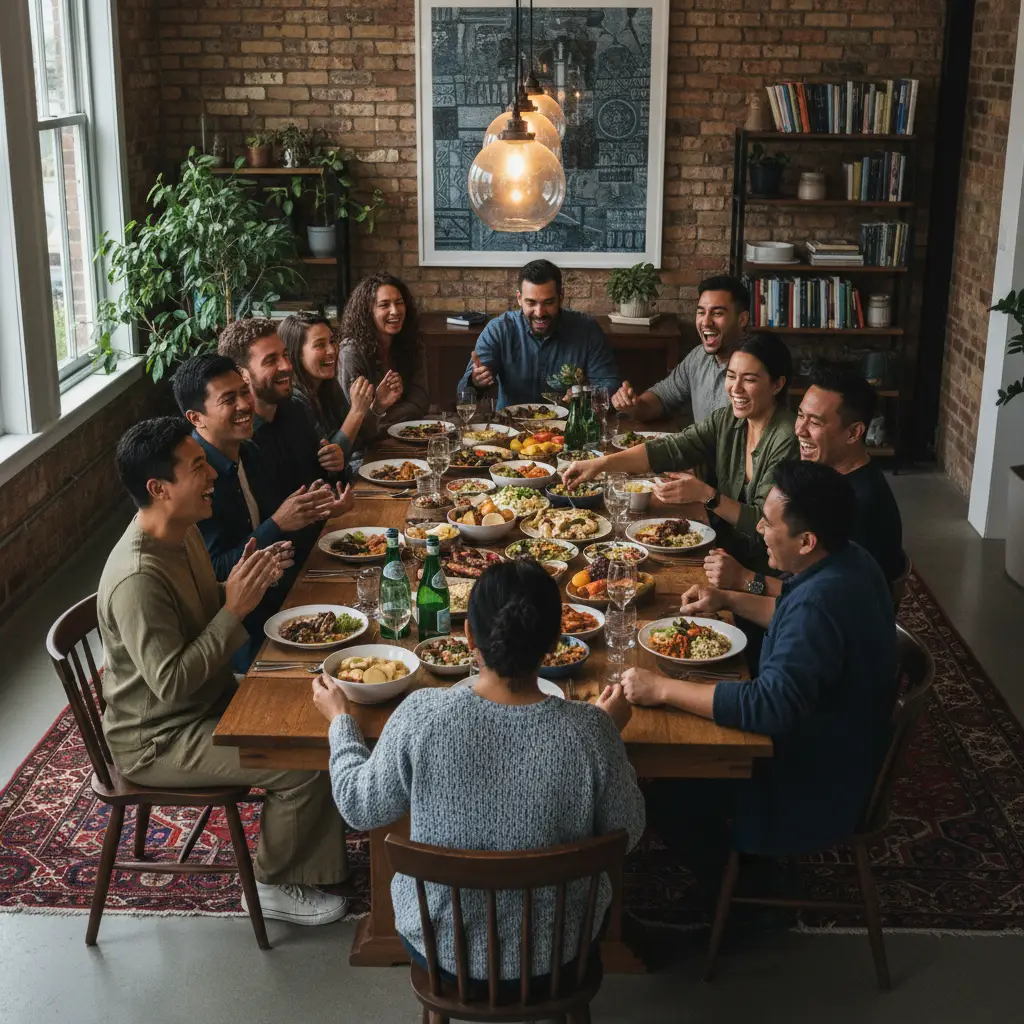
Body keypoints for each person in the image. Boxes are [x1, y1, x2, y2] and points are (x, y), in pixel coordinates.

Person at [312, 559, 644, 981]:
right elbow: (628, 833)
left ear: (468, 635)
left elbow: (360, 807)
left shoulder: (421, 715)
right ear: (557, 640)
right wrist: (607, 736)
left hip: (445, 948)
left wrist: (341, 722)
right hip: (560, 950)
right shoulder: (590, 731)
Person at [97, 417, 351, 925]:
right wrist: (234, 609)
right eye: (197, 467)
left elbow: (197, 603)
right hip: (159, 736)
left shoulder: (179, 532)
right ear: (159, 489)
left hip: (205, 697)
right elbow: (170, 685)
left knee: (319, 699)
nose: (212, 474)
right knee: (298, 757)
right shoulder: (138, 577)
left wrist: (241, 584)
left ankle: (314, 856)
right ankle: (272, 883)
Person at [621, 460, 898, 893]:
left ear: (806, 540)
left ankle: (753, 893)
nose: (760, 532)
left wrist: (662, 688)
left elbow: (767, 707)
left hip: (814, 774)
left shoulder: (819, 606)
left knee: (664, 797)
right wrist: (724, 597)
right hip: (845, 735)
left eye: (768, 525)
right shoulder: (846, 559)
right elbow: (789, 608)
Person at [564, 333, 798, 572]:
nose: (735, 388)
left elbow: (763, 524)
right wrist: (599, 464)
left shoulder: (788, 437)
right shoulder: (728, 418)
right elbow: (673, 448)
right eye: (730, 376)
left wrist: (706, 495)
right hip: (721, 551)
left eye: (749, 380)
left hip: (760, 567)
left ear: (777, 384)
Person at [172, 354, 341, 671]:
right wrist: (278, 523)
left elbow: (285, 523)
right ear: (196, 418)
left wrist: (318, 509)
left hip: (282, 599)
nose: (245, 405)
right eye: (228, 399)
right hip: (237, 637)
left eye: (243, 392)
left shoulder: (250, 450)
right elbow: (214, 573)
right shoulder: (195, 483)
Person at [704, 368, 905, 596]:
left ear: (853, 433)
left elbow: (822, 601)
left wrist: (745, 579)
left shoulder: (858, 505)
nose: (799, 430)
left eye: (815, 423)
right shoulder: (828, 479)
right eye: (800, 415)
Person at [217, 317, 351, 560]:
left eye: (285, 355)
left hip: (321, 546)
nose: (287, 366)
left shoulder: (294, 408)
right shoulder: (239, 440)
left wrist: (336, 471)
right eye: (271, 360)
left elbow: (319, 483)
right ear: (242, 374)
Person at [457, 259, 621, 408]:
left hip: (570, 429)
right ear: (519, 298)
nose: (539, 312)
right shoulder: (498, 330)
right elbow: (463, 393)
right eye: (531, 303)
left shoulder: (587, 330)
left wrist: (584, 394)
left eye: (548, 302)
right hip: (512, 429)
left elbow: (610, 386)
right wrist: (476, 382)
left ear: (561, 298)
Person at [612, 274, 749, 424]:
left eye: (717, 313)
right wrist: (633, 405)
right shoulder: (698, 357)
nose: (706, 322)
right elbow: (663, 397)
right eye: (701, 312)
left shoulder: (756, 368)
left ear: (742, 319)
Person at [280, 312, 402, 470]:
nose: (332, 350)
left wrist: (377, 406)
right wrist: (356, 412)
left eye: (332, 341)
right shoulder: (296, 401)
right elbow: (328, 463)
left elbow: (357, 440)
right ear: (295, 353)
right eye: (320, 345)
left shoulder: (329, 386)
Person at [337, 272, 429, 447]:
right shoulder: (351, 352)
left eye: (399, 303)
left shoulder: (412, 342)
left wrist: (380, 415)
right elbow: (354, 422)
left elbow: (420, 401)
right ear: (368, 312)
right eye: (384, 305)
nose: (395, 311)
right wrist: (379, 407)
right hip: (362, 450)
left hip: (407, 437)